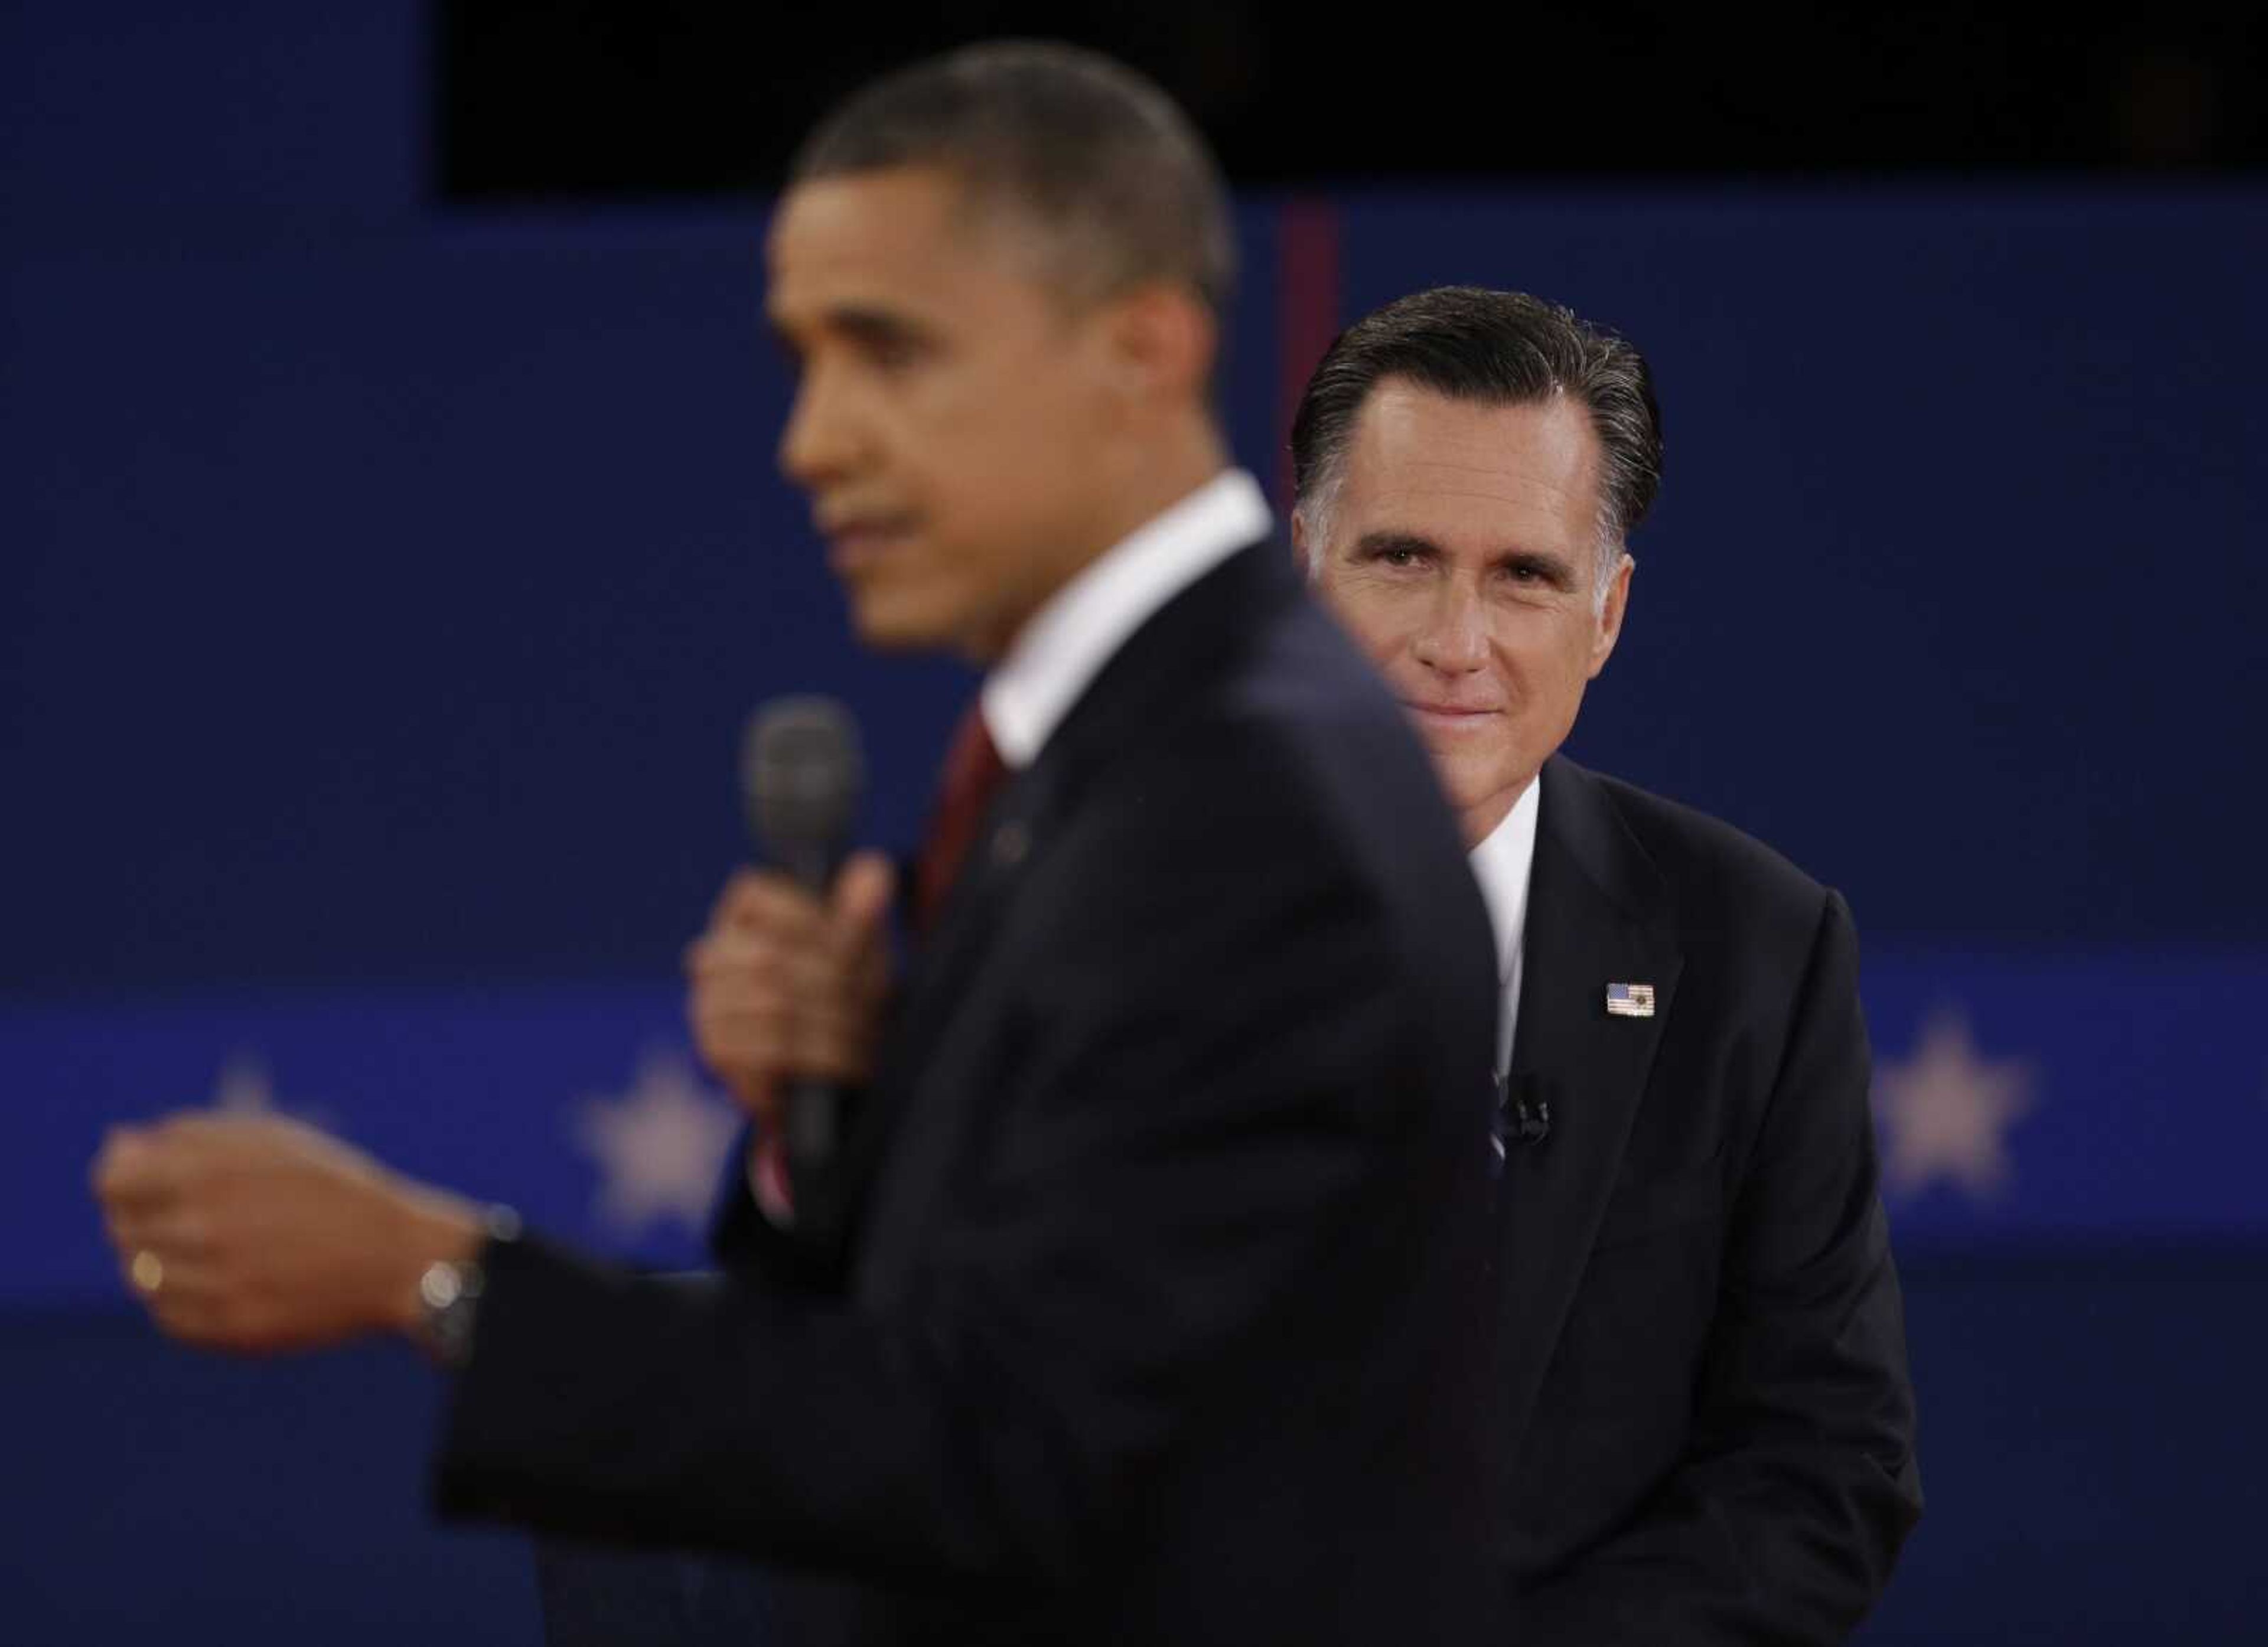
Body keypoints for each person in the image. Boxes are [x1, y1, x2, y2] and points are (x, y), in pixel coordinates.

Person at [90, 44, 1503, 1645]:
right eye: (803, 360)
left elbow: (1004, 1455)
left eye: (888, 352)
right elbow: (1032, 1344)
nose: (812, 440)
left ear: (1141, 350)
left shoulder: (1243, 793)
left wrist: (436, 1275)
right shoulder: (1119, 758)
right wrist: (841, 1128)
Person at [1291, 285, 1922, 1644]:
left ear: (1609, 614)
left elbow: (1823, 1465)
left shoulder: (1755, 948)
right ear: (1305, 566)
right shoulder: (1097, 900)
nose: (1456, 641)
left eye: (1525, 574)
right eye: (1400, 557)